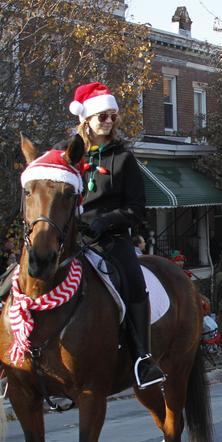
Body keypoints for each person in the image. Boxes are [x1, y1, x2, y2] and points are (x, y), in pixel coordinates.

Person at [67, 81, 165, 386]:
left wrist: (105, 221)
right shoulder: (69, 152)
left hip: (110, 239)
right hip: (72, 236)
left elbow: (138, 209)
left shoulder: (124, 158)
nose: (108, 122)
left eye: (112, 116)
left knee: (134, 281)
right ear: (87, 120)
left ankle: (142, 359)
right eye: (102, 117)